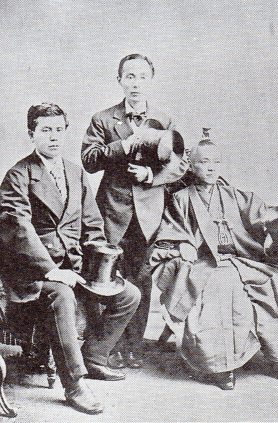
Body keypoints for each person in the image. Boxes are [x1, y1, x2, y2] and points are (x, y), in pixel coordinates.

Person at [0, 103, 141, 414]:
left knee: (129, 295)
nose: (53, 137)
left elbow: (92, 224)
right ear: (31, 135)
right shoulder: (18, 175)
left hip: (73, 267)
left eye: (58, 130)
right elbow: (18, 229)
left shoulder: (75, 173)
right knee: (62, 295)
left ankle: (93, 357)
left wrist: (102, 262)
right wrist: (52, 271)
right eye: (45, 130)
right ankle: (74, 384)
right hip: (31, 274)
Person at [150, 140, 278, 390]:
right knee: (224, 286)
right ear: (191, 165)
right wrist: (182, 244)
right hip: (206, 263)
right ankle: (222, 366)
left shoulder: (237, 196)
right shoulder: (180, 199)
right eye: (204, 162)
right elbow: (169, 232)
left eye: (216, 162)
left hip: (243, 260)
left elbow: (264, 219)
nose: (211, 168)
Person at [81, 53, 188, 368]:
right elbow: (89, 160)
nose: (136, 83)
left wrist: (151, 176)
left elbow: (180, 165)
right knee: (105, 277)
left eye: (142, 77)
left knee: (141, 279)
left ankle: (133, 347)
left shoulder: (165, 120)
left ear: (150, 80)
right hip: (112, 211)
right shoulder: (103, 119)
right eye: (129, 76)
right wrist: (123, 146)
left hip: (149, 214)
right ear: (119, 81)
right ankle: (104, 347)